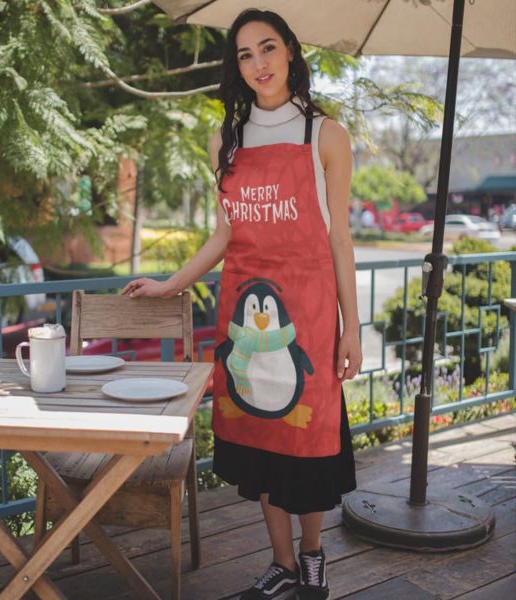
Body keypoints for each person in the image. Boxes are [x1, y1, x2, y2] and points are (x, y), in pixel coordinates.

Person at [122, 9, 361, 600]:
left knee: (306, 446)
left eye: (268, 48)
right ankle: (280, 562)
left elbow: (339, 238)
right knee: (259, 442)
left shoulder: (325, 135)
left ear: (291, 54)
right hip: (244, 314)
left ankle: (312, 554)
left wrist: (351, 327)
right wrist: (171, 284)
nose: (258, 63)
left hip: (306, 314)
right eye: (245, 54)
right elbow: (225, 236)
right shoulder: (224, 141)